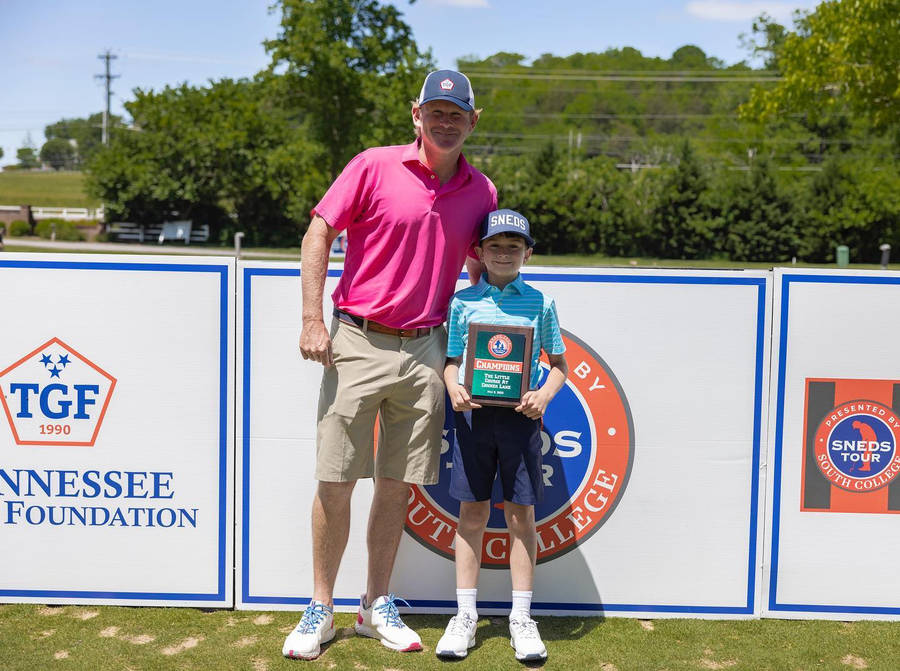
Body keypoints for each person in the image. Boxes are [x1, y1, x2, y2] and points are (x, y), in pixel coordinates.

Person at [282, 69, 497, 661]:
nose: (446, 121)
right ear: (416, 115)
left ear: (473, 122)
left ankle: (375, 603)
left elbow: (479, 269)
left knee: (397, 485)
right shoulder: (373, 164)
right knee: (337, 477)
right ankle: (321, 607)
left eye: (457, 114)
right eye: (436, 111)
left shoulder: (483, 191)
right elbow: (319, 230)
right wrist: (311, 318)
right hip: (358, 339)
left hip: (428, 347)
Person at [436, 209, 568, 663]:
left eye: (515, 247)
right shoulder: (462, 302)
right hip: (473, 419)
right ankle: (466, 615)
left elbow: (560, 367)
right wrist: (452, 385)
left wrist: (544, 395)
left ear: (528, 253)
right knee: (470, 514)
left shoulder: (541, 301)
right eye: (496, 246)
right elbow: (452, 360)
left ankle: (521, 618)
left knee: (520, 518)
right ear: (479, 252)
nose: (505, 253)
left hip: (521, 421)